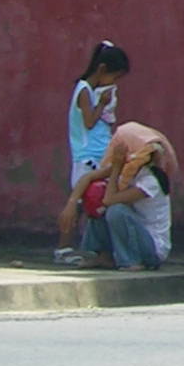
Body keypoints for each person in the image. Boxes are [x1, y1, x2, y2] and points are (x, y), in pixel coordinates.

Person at [55, 42, 129, 266]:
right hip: (88, 156)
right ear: (102, 70)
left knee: (94, 204)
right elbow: (88, 122)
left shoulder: (90, 91)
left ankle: (92, 249)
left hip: (98, 153)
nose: (113, 83)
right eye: (114, 77)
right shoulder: (84, 91)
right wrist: (102, 105)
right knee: (79, 203)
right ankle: (64, 248)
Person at [78, 134, 175, 270]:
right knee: (98, 204)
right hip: (135, 234)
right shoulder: (129, 175)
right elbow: (93, 182)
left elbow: (109, 200)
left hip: (153, 248)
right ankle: (102, 255)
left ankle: (132, 260)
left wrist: (117, 168)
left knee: (116, 210)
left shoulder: (150, 181)